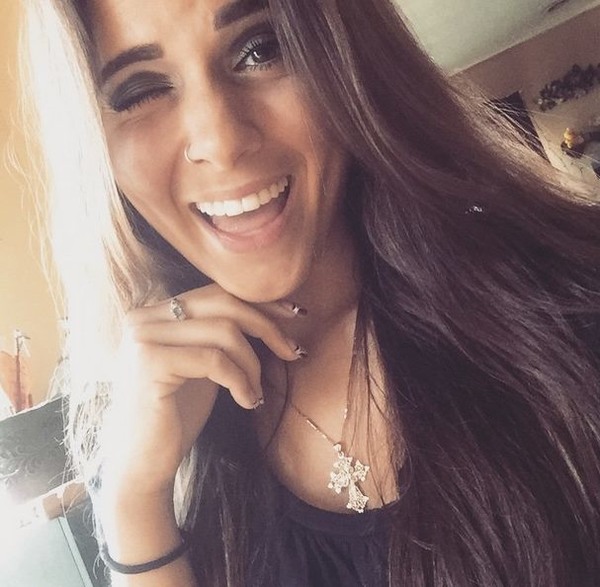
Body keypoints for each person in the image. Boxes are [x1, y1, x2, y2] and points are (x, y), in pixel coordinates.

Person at [21, 0, 600, 585]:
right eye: (140, 90)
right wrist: (136, 502)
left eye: (261, 49)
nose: (220, 140)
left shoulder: (571, 303)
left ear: (347, 55)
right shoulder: (150, 451)